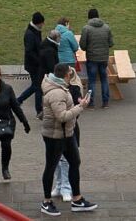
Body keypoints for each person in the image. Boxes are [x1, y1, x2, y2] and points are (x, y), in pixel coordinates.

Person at [40, 63, 97, 216]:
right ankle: (46, 202)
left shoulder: (60, 87)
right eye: (70, 73)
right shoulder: (56, 93)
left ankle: (77, 200)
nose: (72, 75)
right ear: (65, 75)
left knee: (75, 162)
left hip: (67, 134)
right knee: (50, 167)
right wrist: (81, 106)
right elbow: (62, 116)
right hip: (55, 136)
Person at [0, 63, 31, 183]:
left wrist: (24, 121)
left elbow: (15, 106)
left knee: (6, 146)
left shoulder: (8, 89)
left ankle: (5, 168)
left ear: (0, 76)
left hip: (7, 123)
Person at [80, 8, 114, 108]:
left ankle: (91, 103)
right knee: (104, 79)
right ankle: (105, 102)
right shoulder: (106, 27)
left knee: (92, 80)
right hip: (103, 58)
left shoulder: (86, 28)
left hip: (92, 58)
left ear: (89, 17)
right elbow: (111, 43)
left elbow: (82, 45)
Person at [17, 12, 46, 118]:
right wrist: (39, 60)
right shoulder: (30, 34)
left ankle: (18, 101)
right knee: (37, 87)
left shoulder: (35, 31)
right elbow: (29, 52)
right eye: (42, 23)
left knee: (36, 86)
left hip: (35, 65)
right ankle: (39, 110)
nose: (43, 25)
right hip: (33, 66)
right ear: (38, 23)